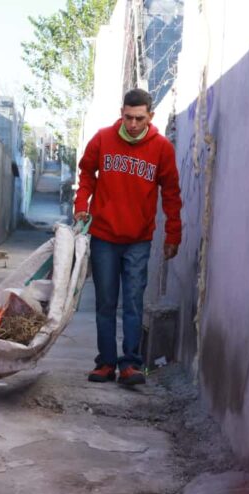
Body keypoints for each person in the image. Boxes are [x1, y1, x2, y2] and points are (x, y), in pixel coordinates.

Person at [74, 88, 182, 386]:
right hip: (104, 236)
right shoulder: (103, 139)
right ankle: (106, 363)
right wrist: (81, 206)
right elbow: (86, 175)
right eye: (128, 117)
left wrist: (174, 233)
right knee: (106, 303)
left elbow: (172, 194)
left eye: (139, 118)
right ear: (121, 112)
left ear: (150, 116)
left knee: (133, 302)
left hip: (138, 239)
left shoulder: (161, 148)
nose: (133, 124)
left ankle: (131, 365)